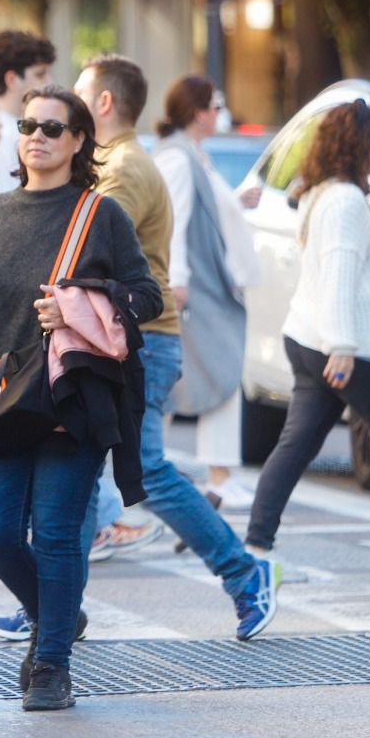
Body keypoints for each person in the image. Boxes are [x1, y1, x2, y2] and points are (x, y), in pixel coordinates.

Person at [0, 86, 163, 711]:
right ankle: (55, 614)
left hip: (70, 394)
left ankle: (51, 662)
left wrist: (83, 303)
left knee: (54, 533)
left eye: (55, 128)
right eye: (29, 125)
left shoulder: (99, 214)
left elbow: (148, 296)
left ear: (79, 141)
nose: (38, 136)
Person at [74, 56, 280, 640]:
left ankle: (245, 575)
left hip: (139, 342)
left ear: (105, 103)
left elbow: (87, 249)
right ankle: (51, 607)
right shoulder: (118, 162)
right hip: (124, 339)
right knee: (86, 473)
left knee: (148, 474)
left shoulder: (128, 168)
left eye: (79, 93)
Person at [244, 102, 370, 566]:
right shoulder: (345, 201)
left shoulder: (324, 192)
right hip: (350, 346)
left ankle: (255, 547)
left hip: (310, 337)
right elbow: (339, 274)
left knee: (296, 446)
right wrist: (345, 349)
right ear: (357, 144)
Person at [152, 76, 261, 512]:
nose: (220, 114)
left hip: (205, 284)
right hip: (197, 287)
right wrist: (176, 279)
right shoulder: (179, 158)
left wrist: (237, 202)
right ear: (198, 111)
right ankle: (205, 472)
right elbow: (172, 221)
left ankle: (211, 471)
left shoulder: (190, 153)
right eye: (215, 106)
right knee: (208, 372)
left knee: (186, 378)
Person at [0, 31, 55, 194]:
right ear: (12, 79)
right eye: (40, 74)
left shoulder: (10, 127)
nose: (49, 81)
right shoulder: (1, 135)